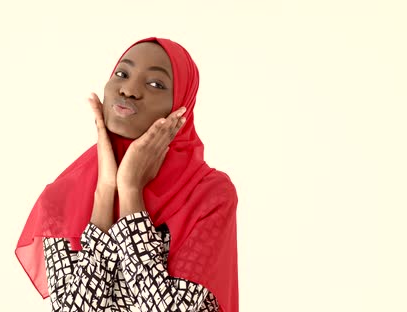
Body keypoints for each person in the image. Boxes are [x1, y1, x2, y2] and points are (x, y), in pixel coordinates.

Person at [15, 37, 239, 312]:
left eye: (155, 84)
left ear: (181, 105)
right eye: (122, 73)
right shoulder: (61, 198)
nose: (129, 90)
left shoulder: (209, 195)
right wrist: (105, 191)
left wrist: (131, 191)